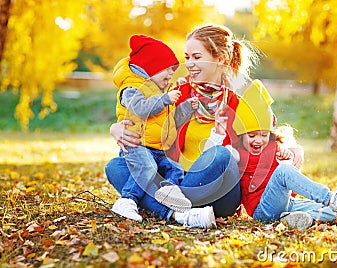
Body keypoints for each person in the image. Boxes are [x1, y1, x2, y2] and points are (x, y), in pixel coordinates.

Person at [106, 24, 260, 228]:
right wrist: (116, 128)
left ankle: (164, 204)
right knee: (115, 167)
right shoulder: (177, 92)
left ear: (220, 59)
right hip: (174, 180)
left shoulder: (243, 97)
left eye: (196, 57)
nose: (189, 64)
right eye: (187, 57)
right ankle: (180, 213)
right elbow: (148, 118)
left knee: (221, 155)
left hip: (218, 192)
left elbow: (266, 142)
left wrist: (292, 150)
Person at [205, 80, 337, 230]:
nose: (258, 140)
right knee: (284, 172)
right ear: (242, 135)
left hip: (285, 203)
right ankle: (330, 197)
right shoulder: (237, 152)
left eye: (264, 135)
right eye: (252, 136)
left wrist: (287, 160)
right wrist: (218, 132)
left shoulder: (274, 147)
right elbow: (213, 156)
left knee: (331, 212)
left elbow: (289, 181)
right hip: (262, 209)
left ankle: (301, 220)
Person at [111, 35, 199, 221]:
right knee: (147, 168)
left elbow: (171, 120)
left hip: (158, 148)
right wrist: (165, 99)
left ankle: (169, 192)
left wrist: (186, 108)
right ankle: (127, 200)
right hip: (138, 145)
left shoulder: (159, 90)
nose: (170, 75)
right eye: (166, 70)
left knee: (174, 168)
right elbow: (140, 108)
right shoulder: (130, 89)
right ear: (151, 67)